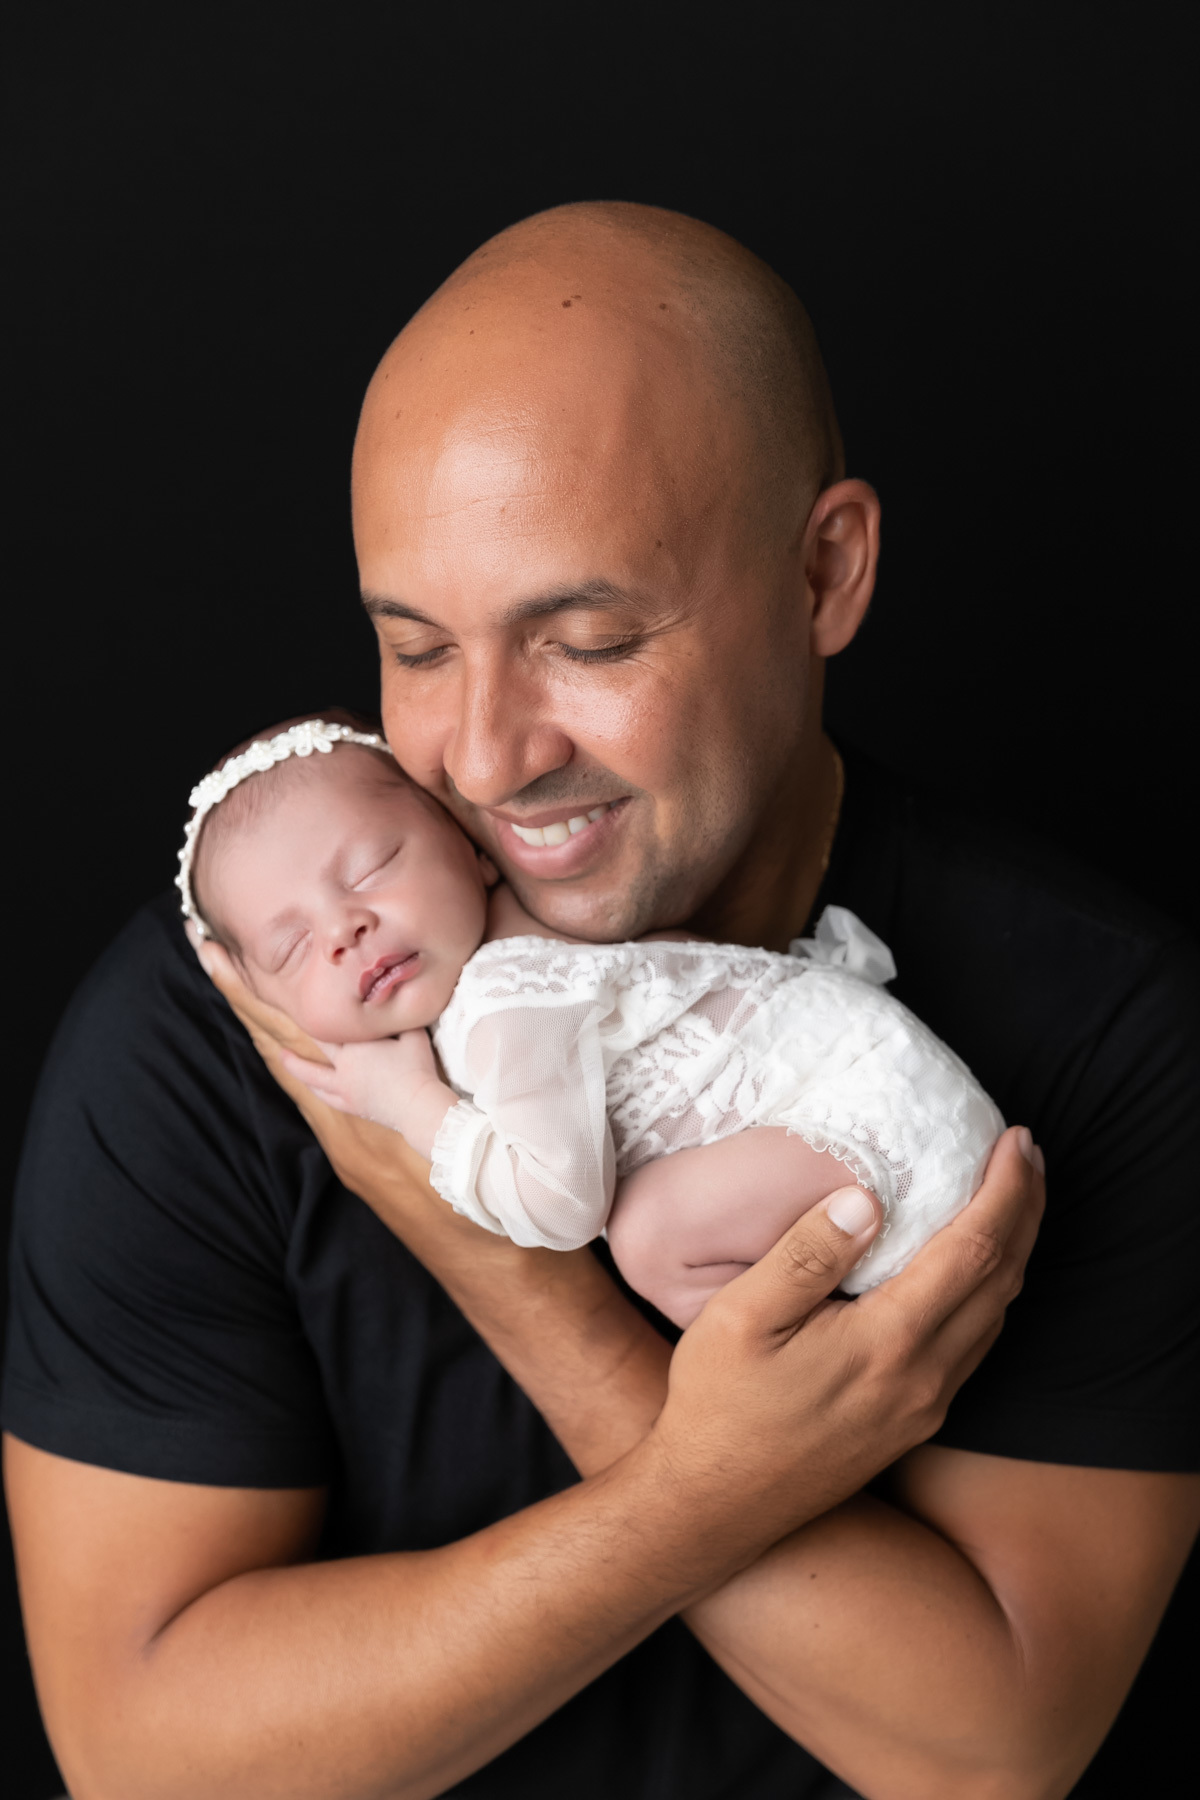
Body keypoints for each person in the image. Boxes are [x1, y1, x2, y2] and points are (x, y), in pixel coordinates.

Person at [3, 202, 1198, 1800]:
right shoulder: (227, 1027)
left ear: (826, 573)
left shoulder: (1102, 1022)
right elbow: (141, 1760)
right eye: (419, 650)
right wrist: (697, 1496)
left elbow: (986, 1754)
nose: (488, 759)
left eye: (587, 640)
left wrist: (512, 1278)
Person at [173, 712, 1004, 1323]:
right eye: (291, 948)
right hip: (886, 1095)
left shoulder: (509, 1000)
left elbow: (564, 1204)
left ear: (469, 844)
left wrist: (411, 1106)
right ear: (263, 1001)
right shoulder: (532, 939)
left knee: (648, 1236)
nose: (345, 930)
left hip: (877, 1132)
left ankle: (807, 1387)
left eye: (373, 867)